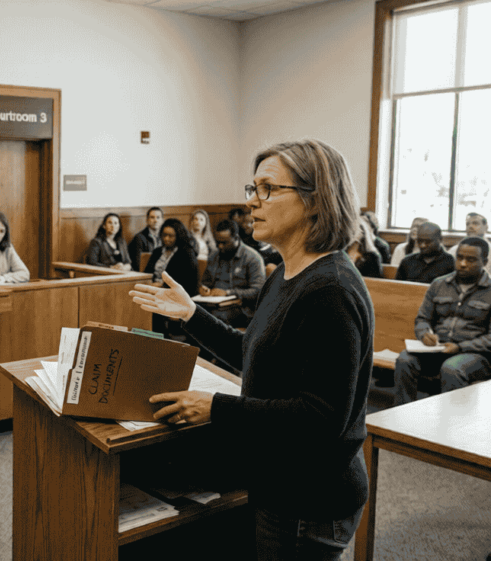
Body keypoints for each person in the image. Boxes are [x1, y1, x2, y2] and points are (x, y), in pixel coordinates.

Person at [131, 139, 373, 560]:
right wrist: (192, 315)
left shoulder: (331, 288)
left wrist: (215, 408)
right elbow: (255, 352)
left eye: (267, 189)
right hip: (279, 477)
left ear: (315, 201)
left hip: (311, 496)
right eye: (252, 188)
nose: (251, 204)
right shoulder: (284, 274)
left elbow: (322, 416)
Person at [393, 237, 491, 405]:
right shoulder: (439, 285)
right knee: (405, 359)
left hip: (474, 355)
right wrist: (424, 334)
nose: (463, 264)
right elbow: (423, 318)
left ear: (485, 261)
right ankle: (400, 415)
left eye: (471, 259)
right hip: (438, 349)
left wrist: (460, 347)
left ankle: (450, 424)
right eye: (459, 257)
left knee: (452, 368)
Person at [199, 219, 265, 328]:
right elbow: (205, 283)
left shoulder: (252, 258)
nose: (220, 246)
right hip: (213, 304)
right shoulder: (214, 256)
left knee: (214, 318)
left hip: (241, 308)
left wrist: (228, 293)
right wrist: (204, 289)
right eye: (218, 242)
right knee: (192, 313)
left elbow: (258, 291)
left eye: (224, 242)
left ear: (236, 238)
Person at [144, 218, 199, 341]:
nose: (167, 239)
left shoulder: (186, 253)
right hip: (154, 290)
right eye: (164, 235)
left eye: (171, 236)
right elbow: (146, 273)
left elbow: (187, 282)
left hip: (176, 295)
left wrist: (161, 287)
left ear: (179, 236)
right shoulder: (158, 251)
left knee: (152, 306)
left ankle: (160, 341)